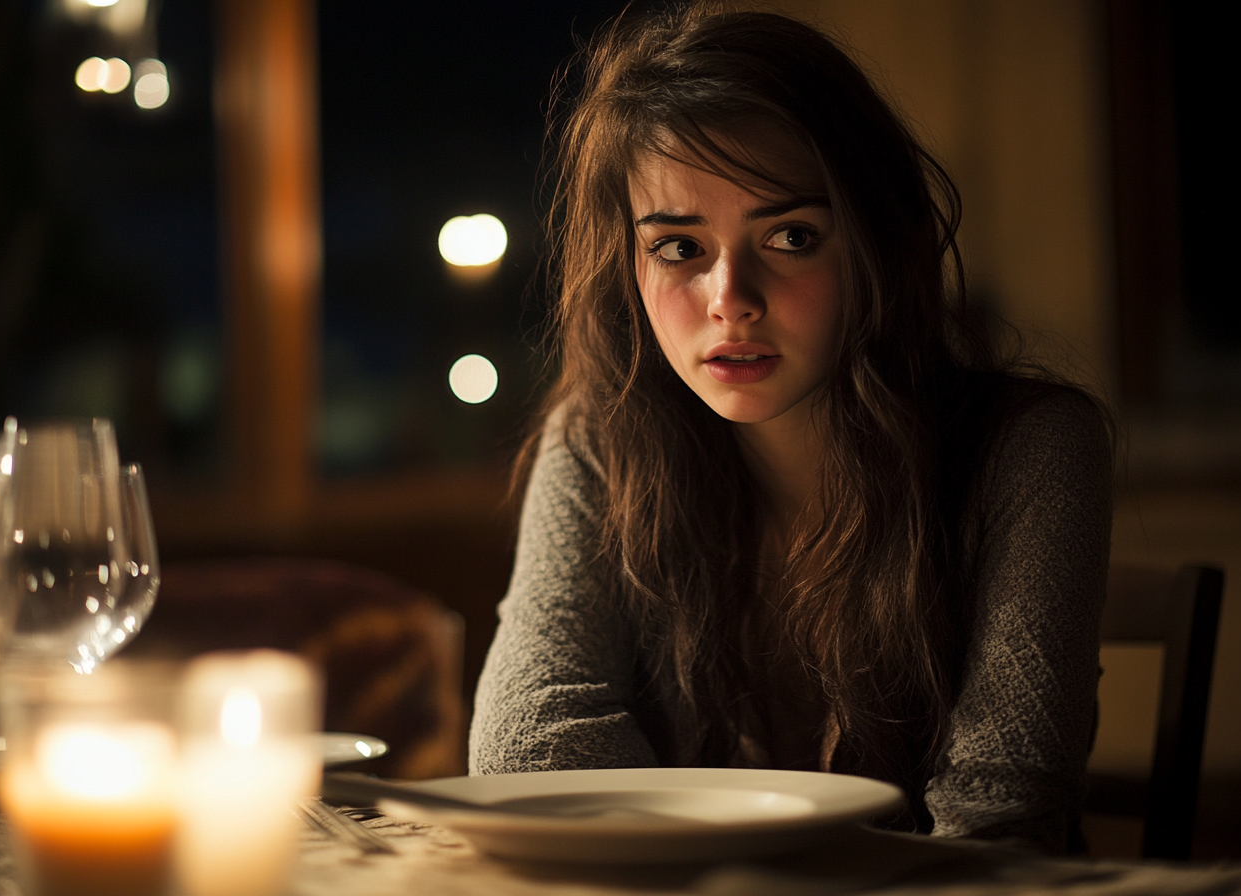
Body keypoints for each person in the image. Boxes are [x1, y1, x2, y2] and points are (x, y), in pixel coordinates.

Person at [469, 2, 1112, 855]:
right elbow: (524, 745)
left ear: (873, 243)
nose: (730, 296)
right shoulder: (599, 442)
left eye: (791, 235)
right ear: (628, 263)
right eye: (678, 248)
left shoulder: (1030, 451)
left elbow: (999, 821)